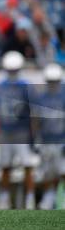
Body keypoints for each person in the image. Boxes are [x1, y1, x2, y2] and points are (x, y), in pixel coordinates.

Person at [0, 51, 35, 210]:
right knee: (5, 166)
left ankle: (29, 199)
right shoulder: (0, 87)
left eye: (14, 70)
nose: (12, 73)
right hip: (6, 132)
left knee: (27, 166)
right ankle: (4, 199)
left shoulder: (26, 86)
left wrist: (33, 134)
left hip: (21, 132)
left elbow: (33, 112)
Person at [34, 63, 64, 210]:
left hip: (61, 139)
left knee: (63, 170)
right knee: (47, 171)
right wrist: (36, 139)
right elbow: (36, 120)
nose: (52, 84)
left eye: (55, 81)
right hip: (46, 140)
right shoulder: (41, 97)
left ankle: (62, 196)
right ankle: (48, 196)